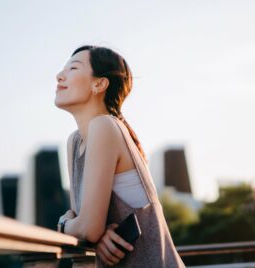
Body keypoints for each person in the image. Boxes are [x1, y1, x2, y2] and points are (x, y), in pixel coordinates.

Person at [54, 45, 185, 267]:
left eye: (73, 68)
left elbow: (87, 228)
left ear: (99, 84)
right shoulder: (74, 143)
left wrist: (63, 224)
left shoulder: (105, 126)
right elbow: (84, 222)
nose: (59, 76)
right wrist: (89, 230)